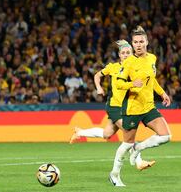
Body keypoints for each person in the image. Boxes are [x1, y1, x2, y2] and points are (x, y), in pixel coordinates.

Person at [70, 40, 156, 170]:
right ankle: (139, 162)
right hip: (114, 106)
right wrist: (98, 87)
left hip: (127, 107)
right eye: (123, 53)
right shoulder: (113, 67)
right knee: (128, 132)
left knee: (107, 134)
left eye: (128, 52)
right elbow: (97, 75)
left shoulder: (135, 69)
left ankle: (80, 132)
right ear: (119, 55)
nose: (126, 54)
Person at [109, 26, 171, 186]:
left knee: (165, 136)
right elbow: (118, 83)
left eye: (141, 41)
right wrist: (131, 84)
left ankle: (138, 148)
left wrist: (162, 92)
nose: (138, 44)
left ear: (147, 42)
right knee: (127, 143)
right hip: (132, 108)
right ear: (132, 43)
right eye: (135, 42)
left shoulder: (152, 58)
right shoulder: (128, 62)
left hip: (149, 106)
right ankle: (114, 174)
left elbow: (152, 79)